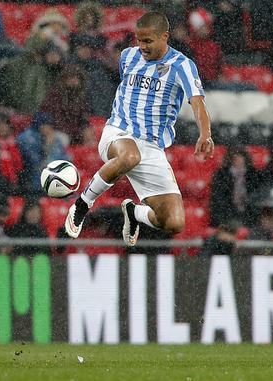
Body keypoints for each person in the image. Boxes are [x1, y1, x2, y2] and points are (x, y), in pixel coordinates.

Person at [64, 12, 214, 247]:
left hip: (152, 146)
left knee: (174, 222)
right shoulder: (128, 56)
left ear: (164, 37)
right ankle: (82, 204)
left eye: (148, 41)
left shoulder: (182, 65)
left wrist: (205, 133)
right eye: (139, 40)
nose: (141, 46)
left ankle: (134, 213)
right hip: (118, 133)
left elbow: (197, 102)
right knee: (130, 155)